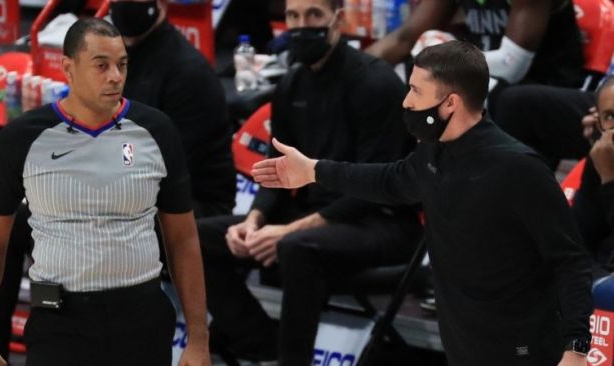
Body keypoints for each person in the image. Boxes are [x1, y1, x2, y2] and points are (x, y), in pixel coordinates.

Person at [252, 40, 593, 366]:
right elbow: (391, 181)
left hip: (523, 348)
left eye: (416, 91)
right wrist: (314, 170)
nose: (406, 103)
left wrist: (576, 348)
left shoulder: (519, 168)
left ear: (450, 103)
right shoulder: (434, 150)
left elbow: (570, 261)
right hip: (465, 343)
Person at [0, 18, 210, 366]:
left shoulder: (156, 130)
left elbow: (182, 239)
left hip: (141, 316)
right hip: (58, 318)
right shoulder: (23, 136)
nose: (115, 76)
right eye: (102, 65)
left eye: (122, 65)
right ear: (68, 68)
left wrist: (199, 339)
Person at [199, 0, 422, 364]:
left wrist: (288, 231)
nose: (302, 26)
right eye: (293, 16)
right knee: (193, 237)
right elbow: (277, 169)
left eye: (314, 15)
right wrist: (254, 221)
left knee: (298, 247)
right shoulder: (292, 84)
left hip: (381, 220)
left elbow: (380, 187)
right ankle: (260, 345)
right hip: (308, 216)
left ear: (338, 18)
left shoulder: (375, 82)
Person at [111, 0, 236, 218]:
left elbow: (166, 166)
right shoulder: (115, 58)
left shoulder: (188, 72)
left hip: (191, 204)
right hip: (131, 186)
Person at [366, 0, 584, 89]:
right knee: (393, 88)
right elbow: (404, 39)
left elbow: (512, 65)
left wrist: (445, 58)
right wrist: (349, 67)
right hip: (482, 77)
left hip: (541, 84)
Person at [572, 76, 614, 279]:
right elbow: (578, 237)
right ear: (599, 124)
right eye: (611, 117)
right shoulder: (602, 157)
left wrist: (609, 179)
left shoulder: (606, 166)